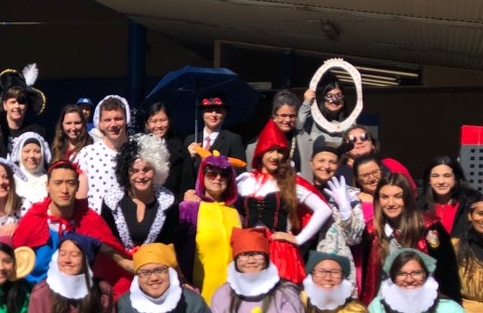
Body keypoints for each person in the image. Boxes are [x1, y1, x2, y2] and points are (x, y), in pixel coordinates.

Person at [236, 121, 332, 283]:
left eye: (280, 151)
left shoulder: (291, 182)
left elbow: (324, 210)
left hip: (280, 251)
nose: (275, 156)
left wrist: (299, 239)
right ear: (260, 152)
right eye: (270, 150)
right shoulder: (244, 181)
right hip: (249, 251)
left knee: (283, 299)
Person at [13, 160, 132, 286]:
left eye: (70, 183)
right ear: (47, 186)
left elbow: (119, 259)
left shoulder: (89, 220)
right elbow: (14, 261)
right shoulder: (34, 218)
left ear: (77, 186)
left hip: (79, 293)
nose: (64, 190)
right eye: (58, 183)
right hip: (38, 292)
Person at [361, 170, 460, 306]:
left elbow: (446, 272)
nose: (391, 203)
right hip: (385, 304)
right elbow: (368, 277)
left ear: (407, 198)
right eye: (384, 197)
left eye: (398, 196)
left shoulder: (429, 227)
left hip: (423, 303)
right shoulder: (372, 231)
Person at [174, 151, 245, 303]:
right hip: (199, 293)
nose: (218, 178)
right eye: (212, 174)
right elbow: (173, 247)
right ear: (203, 176)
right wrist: (182, 280)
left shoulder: (236, 213)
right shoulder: (189, 208)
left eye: (224, 174)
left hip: (233, 295)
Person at [101, 134, 177, 253]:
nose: (141, 176)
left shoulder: (167, 203)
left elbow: (169, 246)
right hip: (118, 266)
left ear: (157, 170)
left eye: (146, 170)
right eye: (134, 171)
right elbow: (106, 242)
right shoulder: (112, 201)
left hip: (154, 266)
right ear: (126, 172)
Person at [307, 138, 364, 270]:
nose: (326, 166)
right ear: (311, 162)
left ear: (338, 165)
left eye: (332, 162)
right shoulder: (301, 191)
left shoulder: (350, 195)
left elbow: (354, 239)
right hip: (301, 263)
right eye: (321, 160)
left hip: (334, 270)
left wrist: (345, 210)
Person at [296, 63, 361, 174]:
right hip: (313, 171)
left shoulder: (351, 124)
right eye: (330, 96)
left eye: (338, 96)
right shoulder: (312, 119)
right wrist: (307, 102)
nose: (334, 100)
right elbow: (298, 126)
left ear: (343, 99)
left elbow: (354, 147)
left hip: (339, 171)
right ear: (323, 99)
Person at [75, 95, 131, 211]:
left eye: (118, 119)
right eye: (107, 120)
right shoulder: (88, 154)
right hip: (96, 224)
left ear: (126, 120)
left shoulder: (137, 152)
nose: (113, 124)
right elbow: (80, 195)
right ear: (100, 123)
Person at [0, 66, 48, 159]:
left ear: (27, 105)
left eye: (21, 102)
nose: (17, 106)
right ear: (5, 105)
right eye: (12, 102)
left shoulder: (37, 131)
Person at [184, 91, 245, 182]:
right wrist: (188, 157)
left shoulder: (233, 139)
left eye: (218, 111)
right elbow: (183, 173)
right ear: (202, 114)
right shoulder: (191, 139)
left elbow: (239, 172)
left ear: (224, 114)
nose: (213, 115)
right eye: (208, 111)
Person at [141, 101, 194, 198]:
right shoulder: (139, 147)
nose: (159, 125)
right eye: (154, 121)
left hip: (173, 203)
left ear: (169, 122)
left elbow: (187, 183)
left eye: (163, 120)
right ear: (147, 125)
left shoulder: (180, 149)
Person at [419, 155, 477, 237]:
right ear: (429, 180)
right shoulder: (419, 206)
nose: (441, 181)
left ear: (456, 179)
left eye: (447, 176)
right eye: (435, 176)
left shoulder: (471, 204)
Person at [339, 125, 413, 189]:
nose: (359, 142)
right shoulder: (337, 169)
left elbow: (411, 192)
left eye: (364, 137)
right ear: (345, 149)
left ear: (373, 145)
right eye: (352, 139)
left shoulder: (391, 164)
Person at [246, 91, 302, 174]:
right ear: (274, 116)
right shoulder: (256, 144)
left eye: (292, 116)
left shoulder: (304, 140)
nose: (287, 120)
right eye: (283, 115)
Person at [11, 131, 50, 206]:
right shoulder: (12, 181)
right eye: (27, 151)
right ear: (19, 153)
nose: (32, 155)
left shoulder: (49, 181)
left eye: (37, 151)